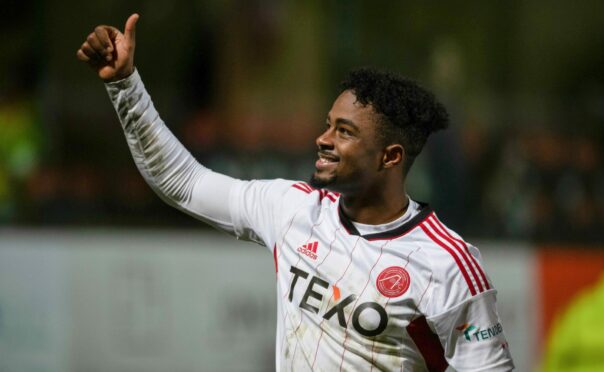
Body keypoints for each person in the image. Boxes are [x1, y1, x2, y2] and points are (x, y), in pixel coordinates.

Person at [77, 14, 514, 371]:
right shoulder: (293, 208)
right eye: (328, 124)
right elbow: (183, 182)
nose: (323, 139)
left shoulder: (448, 264)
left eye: (344, 132)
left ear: (389, 156)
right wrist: (125, 84)